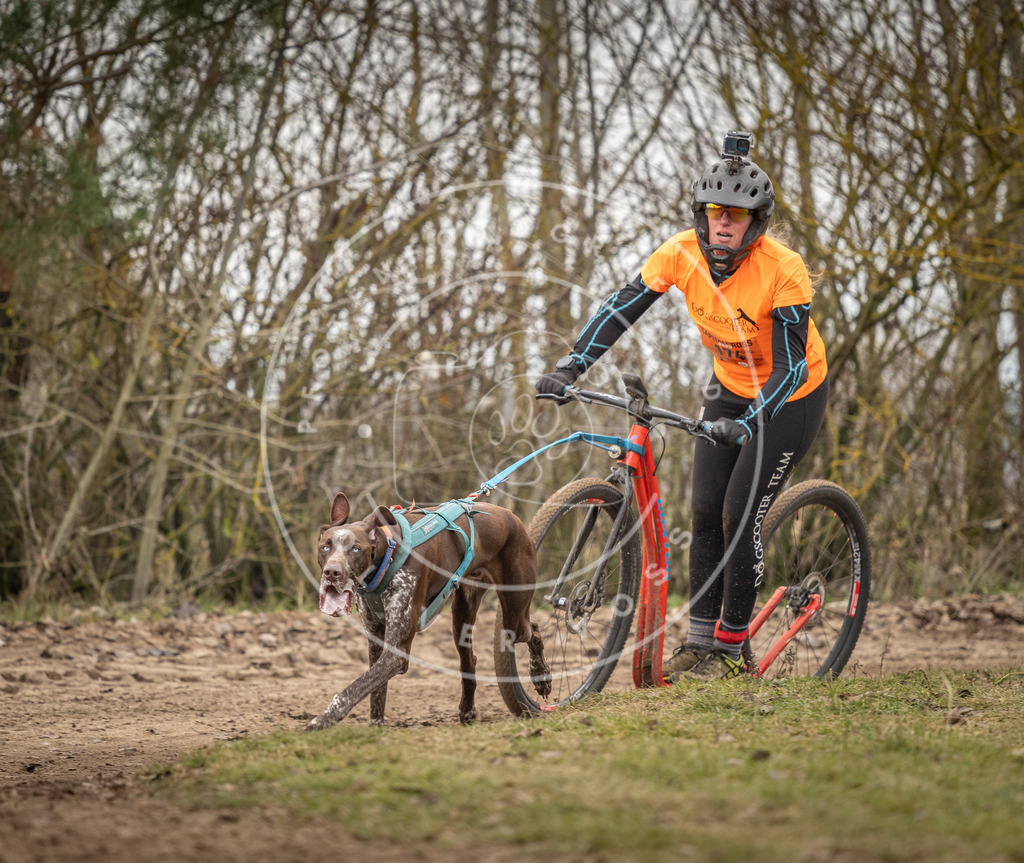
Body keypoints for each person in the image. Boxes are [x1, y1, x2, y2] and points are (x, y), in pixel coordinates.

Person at [536, 131, 829, 681]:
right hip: (728, 385)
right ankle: (698, 642)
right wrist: (571, 366)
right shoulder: (680, 254)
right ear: (702, 213)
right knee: (703, 511)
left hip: (791, 395)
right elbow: (622, 306)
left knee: (738, 514)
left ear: (755, 224)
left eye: (737, 215)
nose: (724, 222)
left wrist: (747, 423)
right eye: (716, 211)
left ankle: (730, 648)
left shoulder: (782, 268)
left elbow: (790, 368)